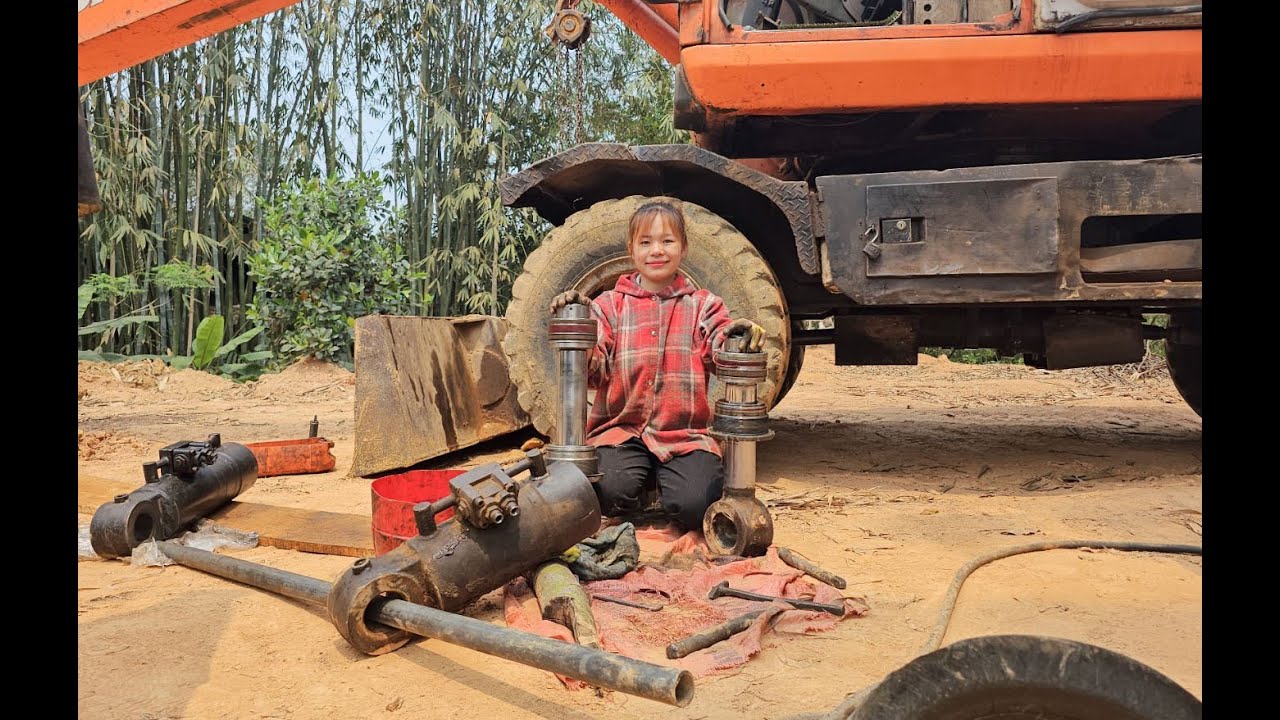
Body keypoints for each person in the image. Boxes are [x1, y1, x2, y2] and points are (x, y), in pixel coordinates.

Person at [548, 200, 765, 533]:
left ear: (683, 248)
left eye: (667, 241)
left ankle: (665, 483)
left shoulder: (703, 305)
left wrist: (738, 337)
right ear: (632, 251)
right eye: (645, 242)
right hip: (621, 433)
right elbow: (594, 371)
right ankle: (640, 483)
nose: (657, 251)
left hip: (683, 436)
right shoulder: (609, 306)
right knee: (608, 492)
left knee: (697, 506)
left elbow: (720, 346)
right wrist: (577, 327)